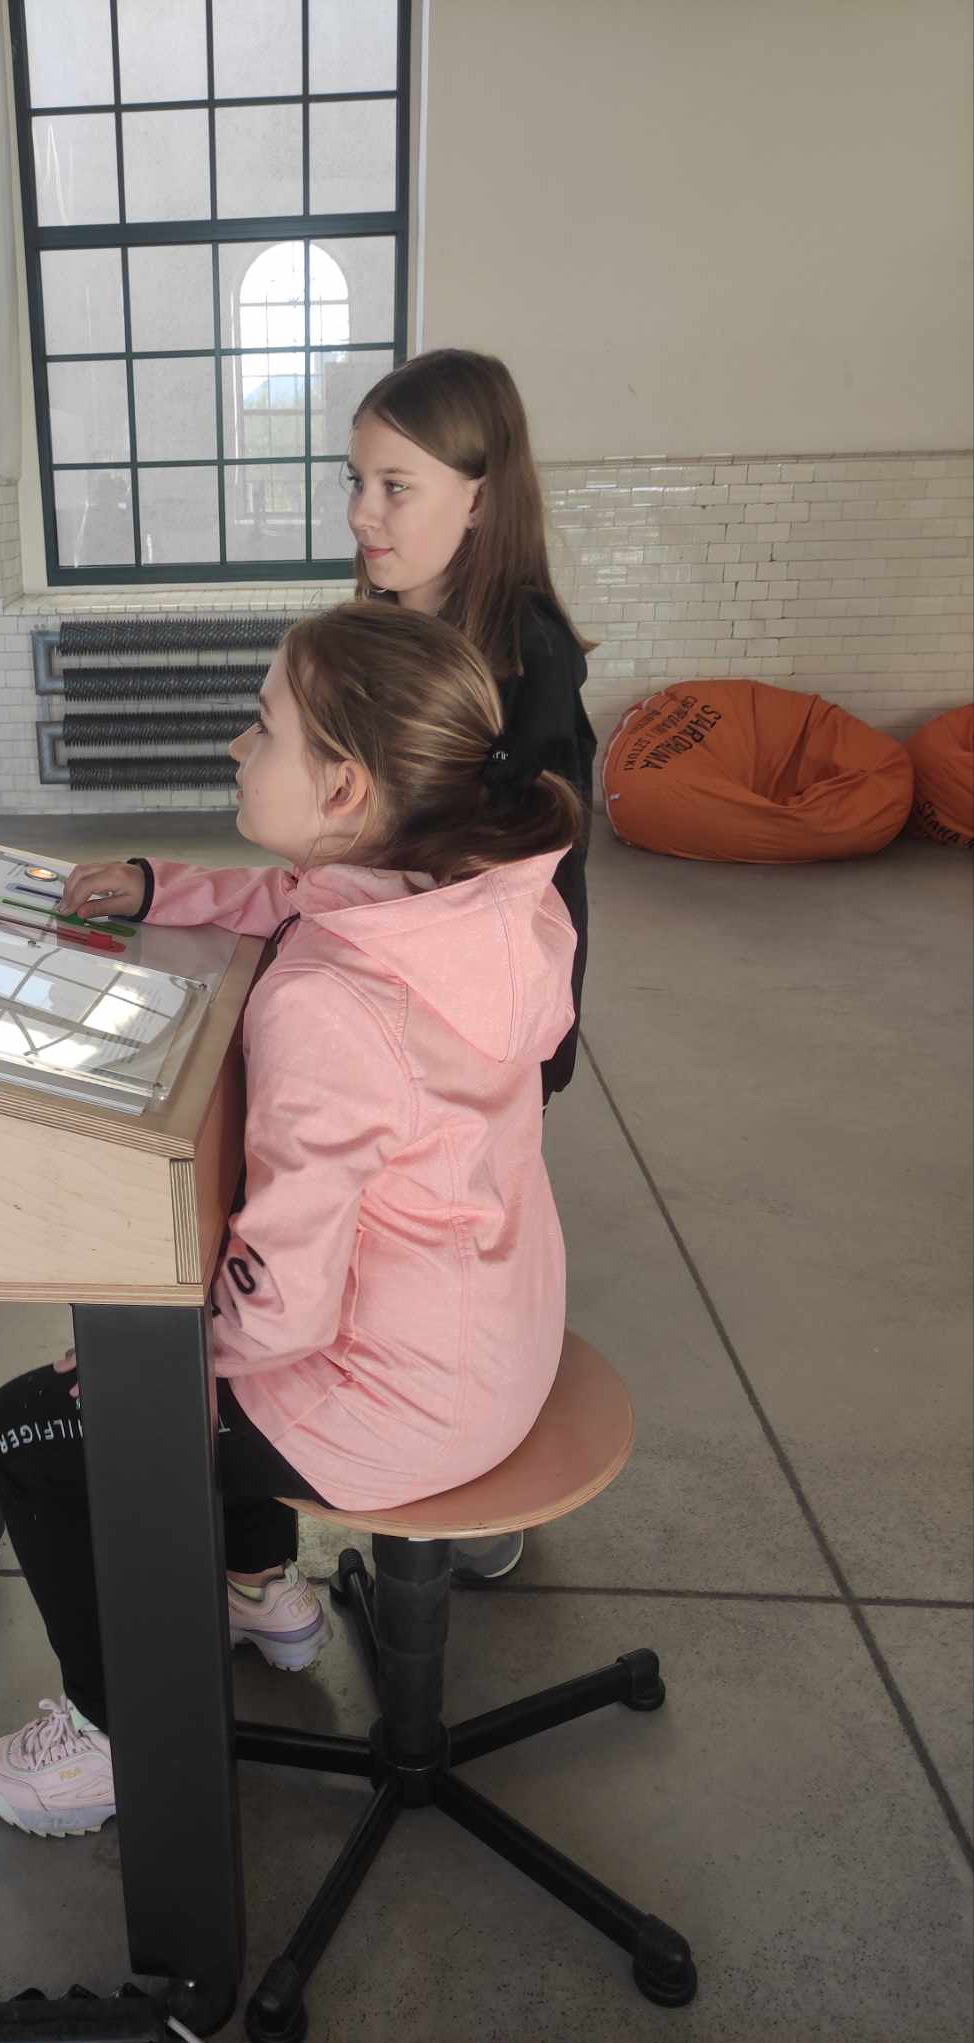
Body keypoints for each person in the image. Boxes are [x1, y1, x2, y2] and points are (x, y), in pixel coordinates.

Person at [0, 601, 582, 1839]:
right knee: (219, 1287)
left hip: (394, 1408)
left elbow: (283, 1310)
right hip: (493, 1346)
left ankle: (115, 1731)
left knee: (38, 1422)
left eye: (262, 726)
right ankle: (259, 1588)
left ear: (343, 785)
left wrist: (149, 1359)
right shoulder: (467, 905)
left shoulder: (328, 1003)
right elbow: (295, 897)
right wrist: (161, 885)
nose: (236, 746)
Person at [345, 347, 599, 1583]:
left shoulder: (525, 660)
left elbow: (505, 867)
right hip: (402, 992)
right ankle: (426, 1428)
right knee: (405, 1242)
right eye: (354, 482)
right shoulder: (392, 624)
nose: (362, 514)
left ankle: (476, 1483)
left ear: (481, 497)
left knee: (470, 1241)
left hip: (486, 1010)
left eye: (395, 486)